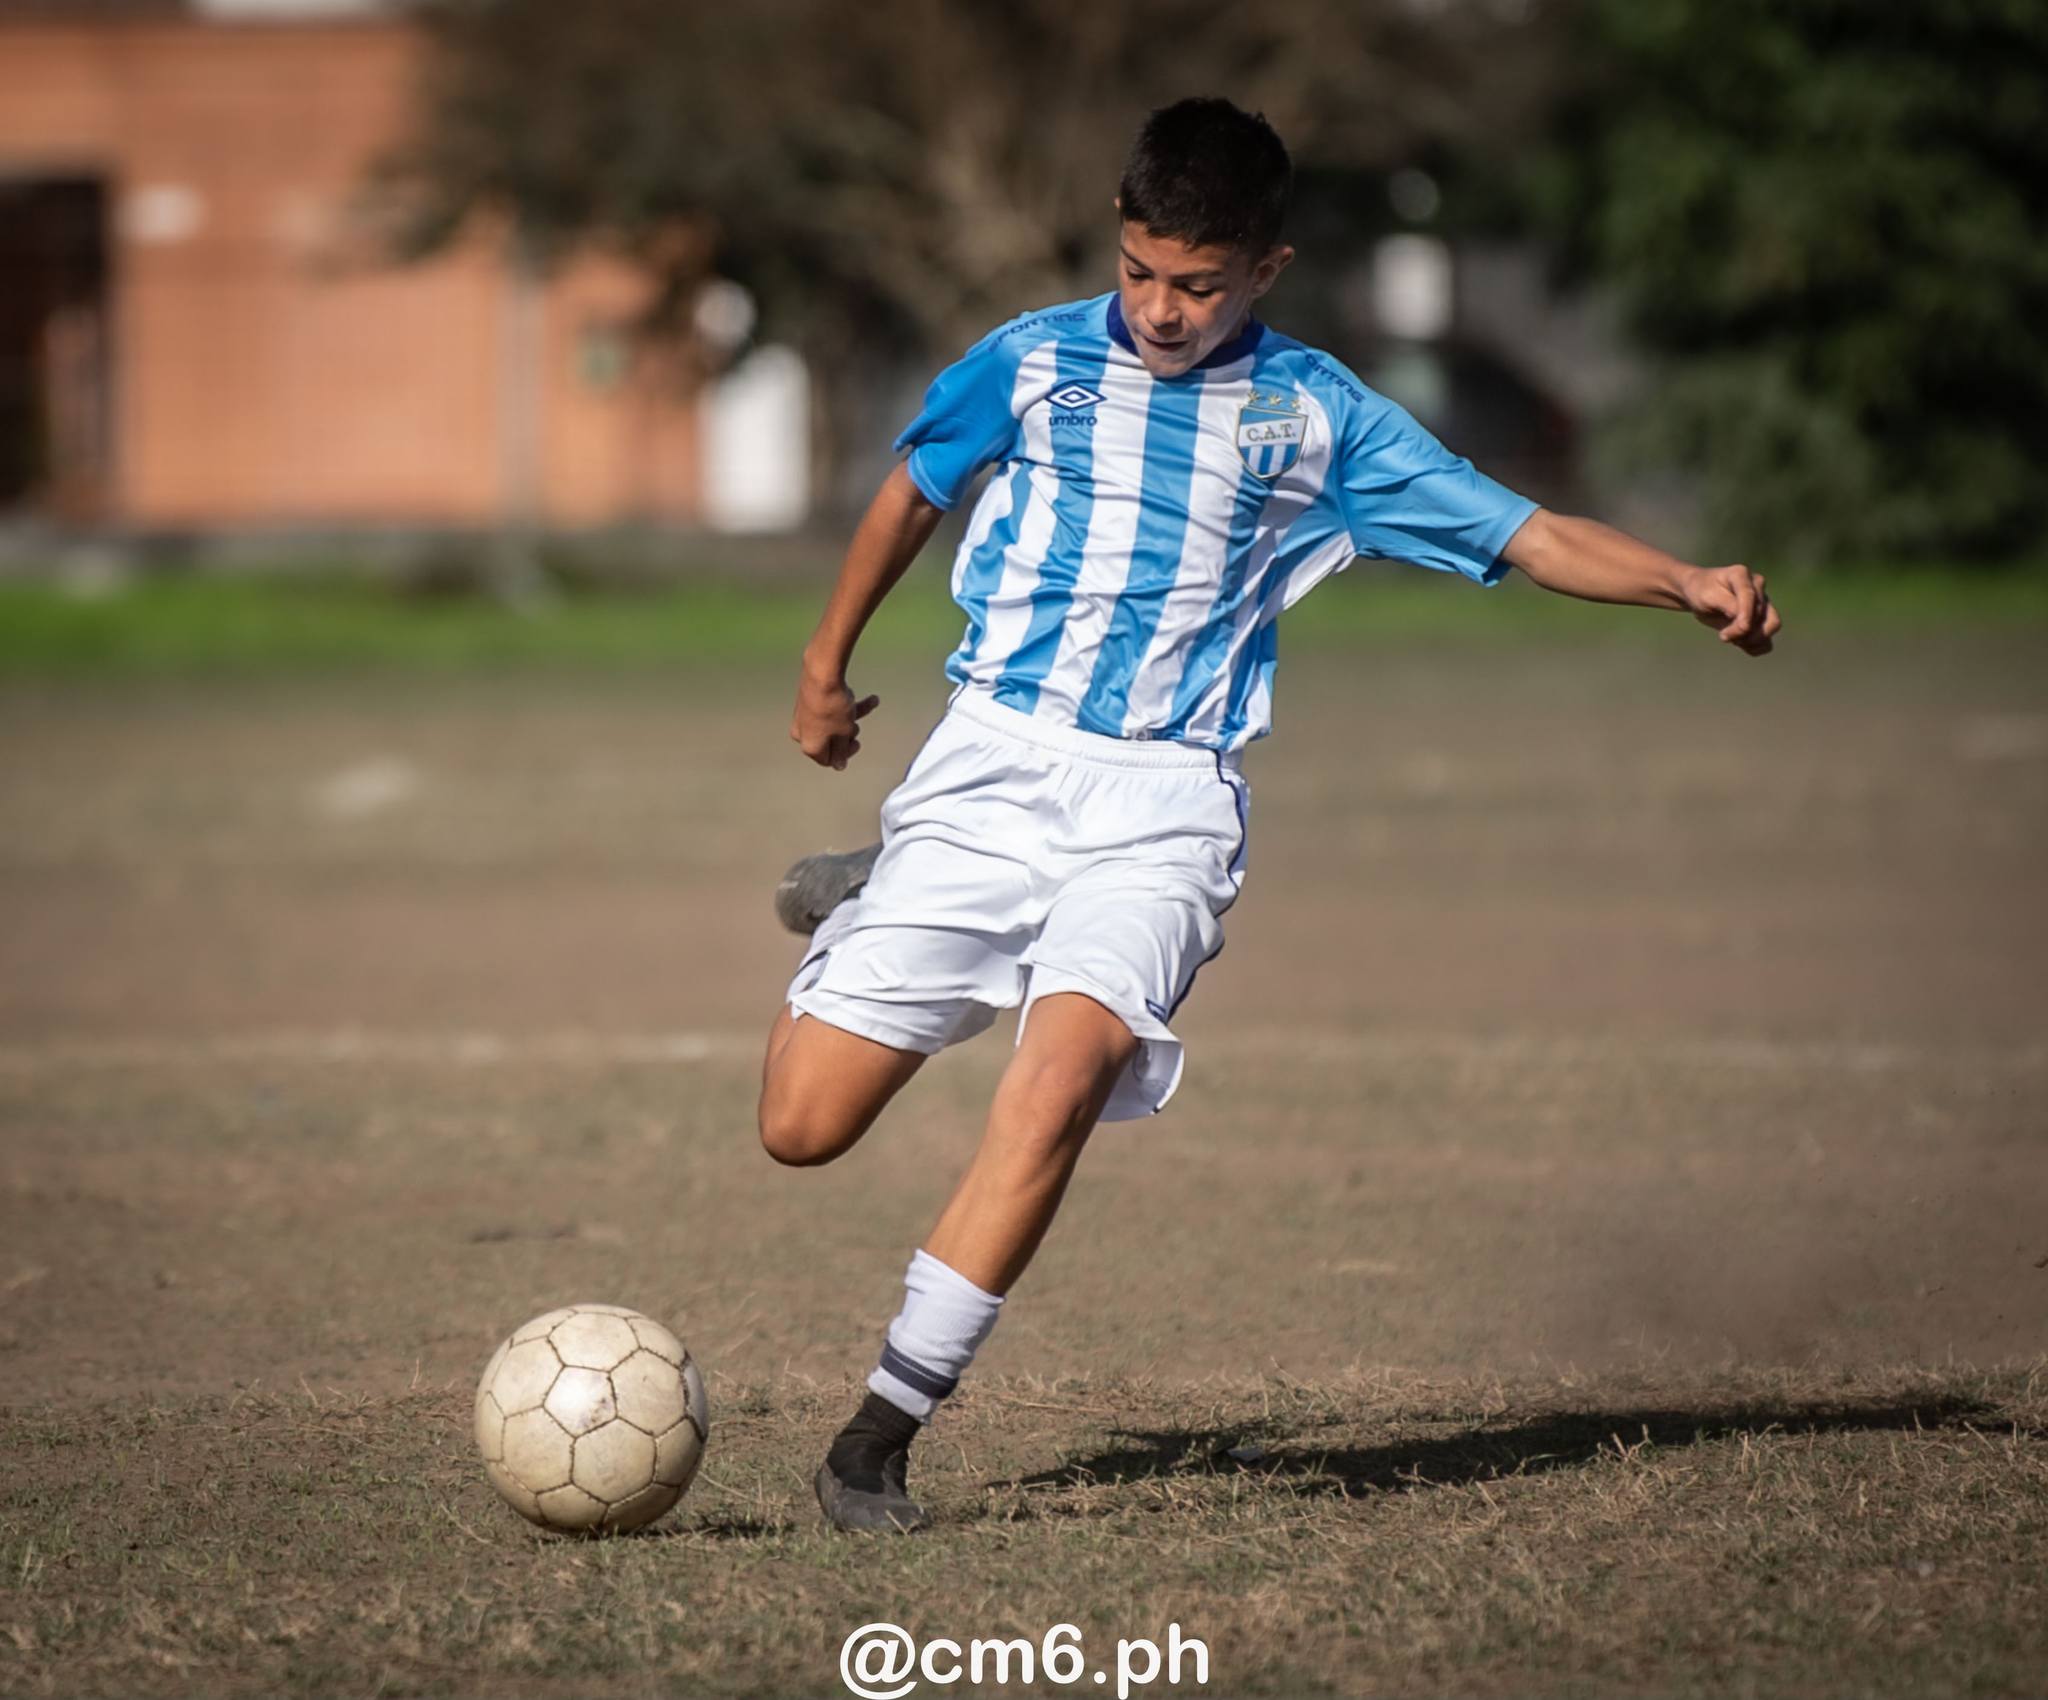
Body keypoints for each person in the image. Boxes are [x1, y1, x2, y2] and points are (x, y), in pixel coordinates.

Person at [758, 97, 1781, 1533]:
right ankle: (881, 900)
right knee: (800, 1130)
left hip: (1167, 804)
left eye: (1197, 282)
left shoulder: (1319, 416)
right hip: (992, 766)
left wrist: (1684, 580)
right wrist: (823, 666)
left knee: (1055, 1085)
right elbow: (913, 489)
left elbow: (1528, 531)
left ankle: (877, 1441)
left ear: (1266, 270)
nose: (1163, 309)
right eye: (1140, 272)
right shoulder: (1032, 362)